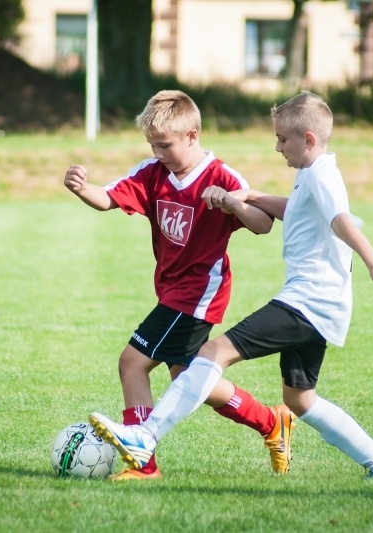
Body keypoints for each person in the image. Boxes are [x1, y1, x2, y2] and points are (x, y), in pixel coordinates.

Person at [89, 91, 373, 479]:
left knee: (212, 353)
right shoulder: (312, 174)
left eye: (282, 140)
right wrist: (250, 195)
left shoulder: (322, 174)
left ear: (308, 139)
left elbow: (340, 219)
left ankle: (146, 437)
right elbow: (297, 212)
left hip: (307, 301)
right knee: (301, 399)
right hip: (321, 306)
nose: (277, 147)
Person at [64, 89, 295, 481]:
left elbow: (263, 224)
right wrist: (81, 187)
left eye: (165, 145)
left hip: (197, 294)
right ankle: (271, 422)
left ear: (193, 134)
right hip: (171, 289)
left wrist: (233, 204)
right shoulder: (152, 172)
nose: (158, 153)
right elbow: (107, 198)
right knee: (187, 378)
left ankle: (143, 463)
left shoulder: (222, 176)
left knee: (132, 363)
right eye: (152, 145)